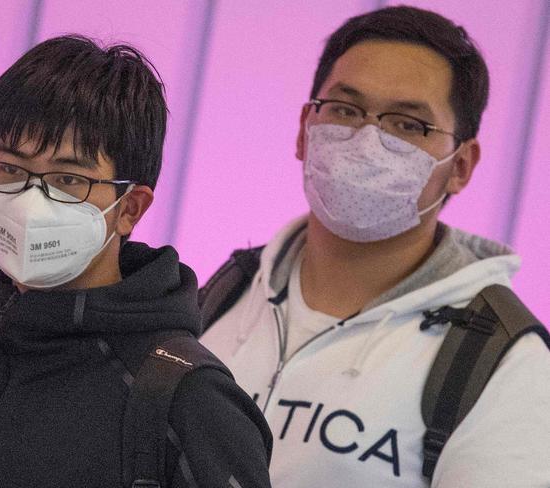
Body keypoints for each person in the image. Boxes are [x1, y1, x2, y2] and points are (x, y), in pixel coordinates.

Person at [201, 6, 550, 488]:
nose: (368, 140)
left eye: (408, 125)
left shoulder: (504, 366)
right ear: (305, 128)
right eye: (345, 110)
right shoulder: (224, 294)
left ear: (461, 165)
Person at [0, 35, 272, 488]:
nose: (31, 202)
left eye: (67, 179)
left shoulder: (189, 400)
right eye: (11, 170)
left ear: (130, 207)